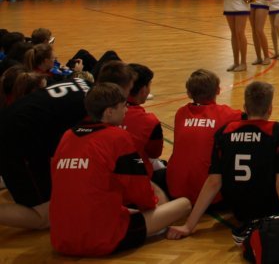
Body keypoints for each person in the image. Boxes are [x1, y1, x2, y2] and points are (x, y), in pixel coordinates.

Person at [49, 83, 190, 256]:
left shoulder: (68, 135)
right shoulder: (117, 138)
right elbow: (141, 191)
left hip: (61, 237)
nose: (126, 110)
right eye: (123, 106)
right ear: (109, 112)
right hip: (102, 239)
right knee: (183, 204)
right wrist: (153, 207)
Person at [168, 81, 279, 238]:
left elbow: (213, 182)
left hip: (237, 208)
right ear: (270, 109)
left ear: (245, 108)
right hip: (268, 207)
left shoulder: (224, 132)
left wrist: (189, 226)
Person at [0, 76, 91, 230]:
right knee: (45, 216)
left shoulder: (84, 86)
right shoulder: (91, 108)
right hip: (15, 141)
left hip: (18, 132)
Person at [166, 69, 243, 203]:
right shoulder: (228, 115)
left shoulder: (181, 113)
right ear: (218, 90)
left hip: (175, 191)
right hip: (211, 197)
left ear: (189, 93)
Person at [122, 64, 164, 178]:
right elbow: (154, 154)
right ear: (144, 89)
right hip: (138, 176)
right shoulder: (150, 121)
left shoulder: (100, 110)